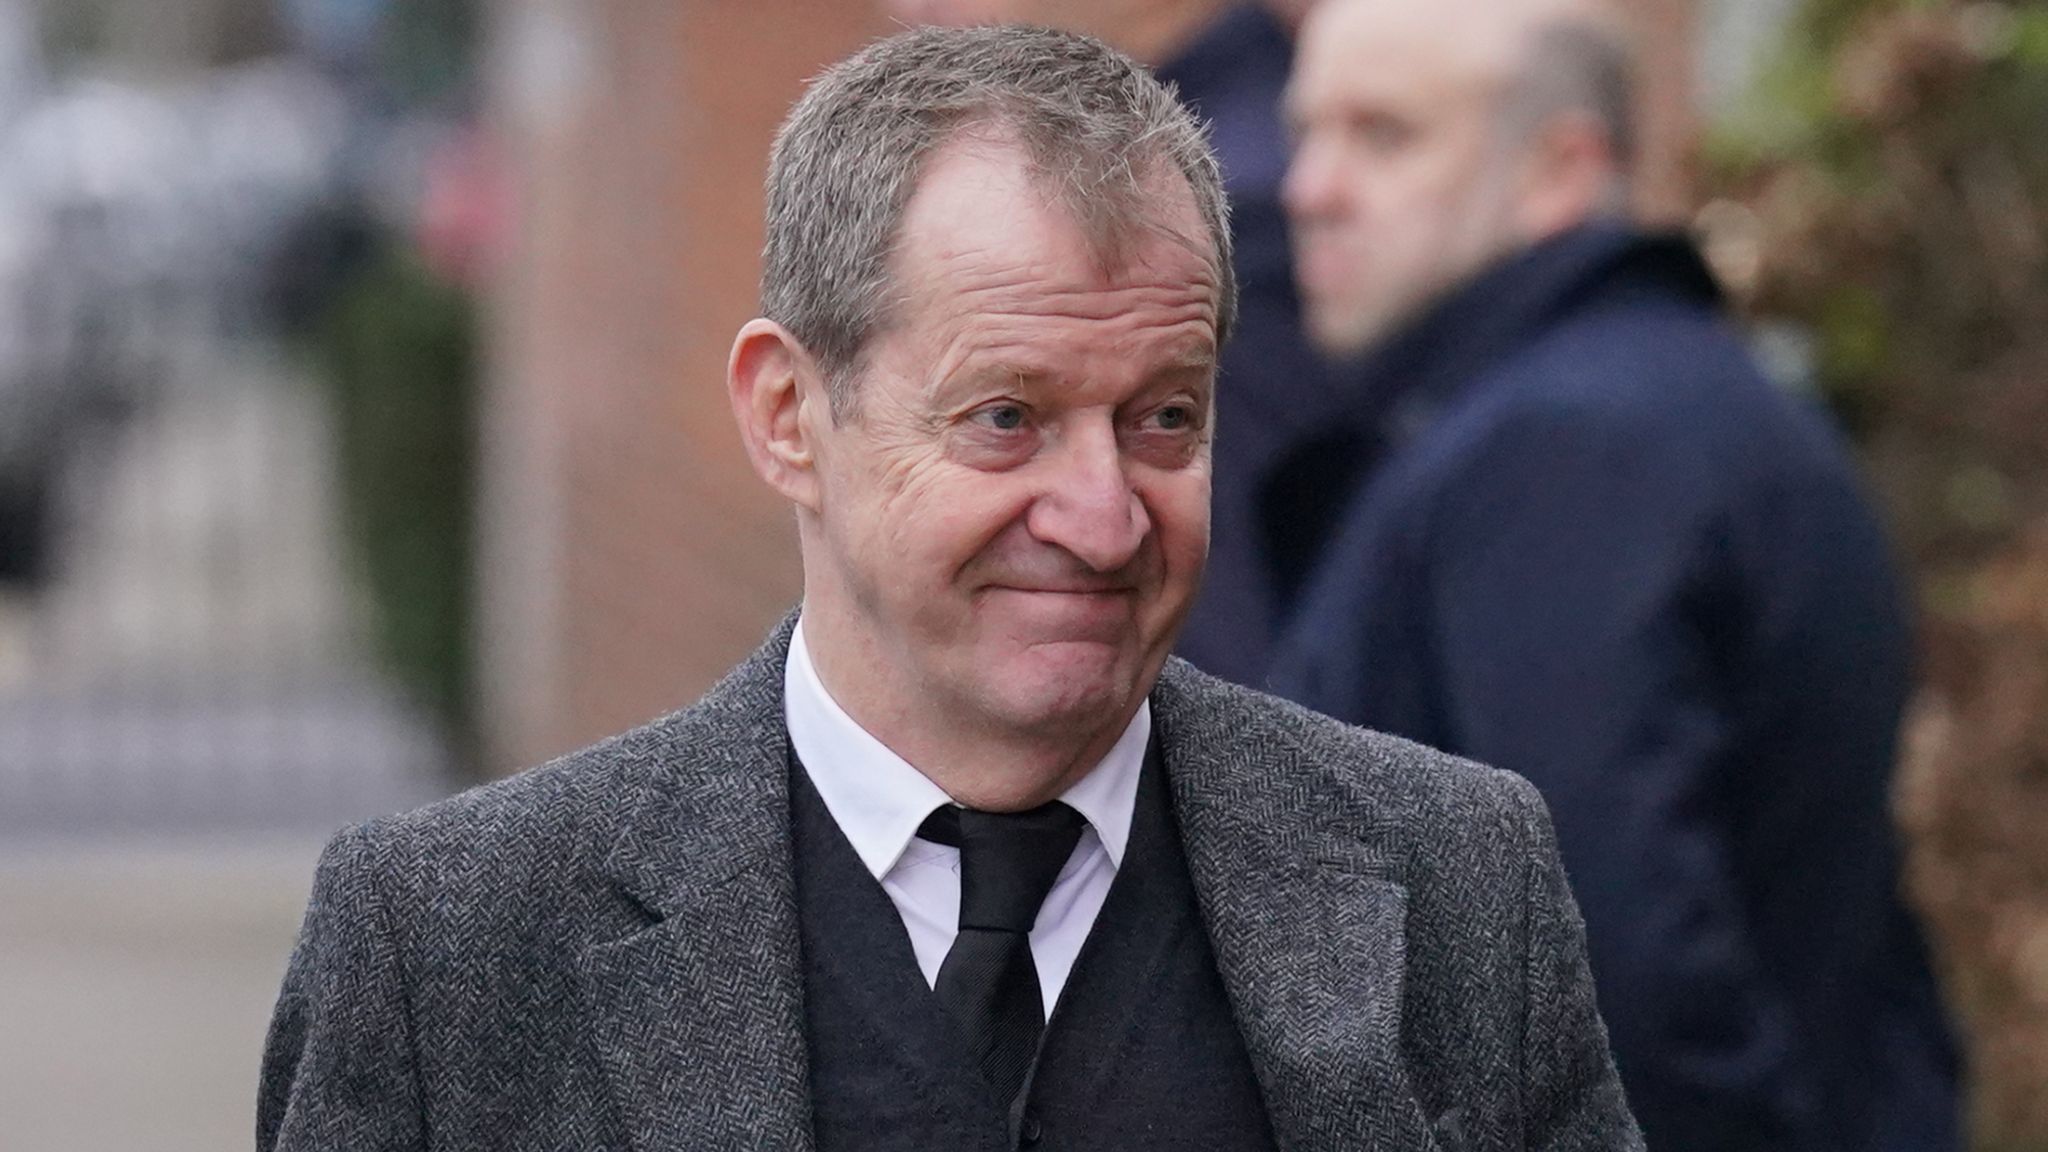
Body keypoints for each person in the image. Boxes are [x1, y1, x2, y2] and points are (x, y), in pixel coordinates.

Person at [258, 25, 1642, 1150]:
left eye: (1164, 418)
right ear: (790, 414)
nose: (1104, 521)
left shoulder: (1460, 886)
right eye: (1006, 418)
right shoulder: (448, 955)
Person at [1270, 1, 1959, 1149]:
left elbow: (1602, 964)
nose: (1309, 188)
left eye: (1381, 135)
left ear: (1560, 170)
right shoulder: (1668, 402)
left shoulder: (1565, 450)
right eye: (1307, 131)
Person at [881, 0, 1341, 685]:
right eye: (1006, 416)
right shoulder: (1216, 109)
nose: (909, 8)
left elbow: (1216, 648)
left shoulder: (1244, 204)